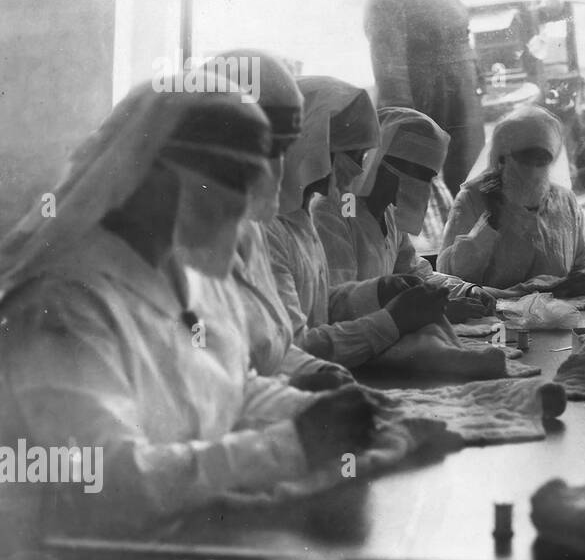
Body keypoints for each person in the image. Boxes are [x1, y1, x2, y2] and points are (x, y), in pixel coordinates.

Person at [0, 78, 378, 529]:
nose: (244, 201)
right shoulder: (62, 305)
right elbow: (107, 480)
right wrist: (291, 444)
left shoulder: (195, 276)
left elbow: (228, 388)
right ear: (150, 175)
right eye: (229, 181)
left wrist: (307, 412)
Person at [197, 50, 354, 389]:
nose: (278, 168)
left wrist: (314, 372)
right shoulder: (162, 249)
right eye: (268, 147)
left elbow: (271, 346)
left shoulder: (245, 228)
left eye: (285, 149)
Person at [267, 77, 450, 368]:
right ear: (311, 147)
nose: (359, 167)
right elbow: (291, 349)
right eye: (353, 155)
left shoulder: (299, 220)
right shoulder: (282, 226)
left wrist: (378, 291)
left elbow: (318, 308)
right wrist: (392, 319)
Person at [313, 105, 495, 319]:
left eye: (428, 176)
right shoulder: (337, 211)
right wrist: (433, 310)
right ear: (381, 162)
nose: (422, 185)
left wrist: (466, 290)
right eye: (416, 172)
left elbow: (415, 274)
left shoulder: (388, 214)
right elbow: (341, 304)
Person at [364, 0, 484, 194]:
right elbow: (389, 66)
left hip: (460, 93)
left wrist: (476, 79)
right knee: (416, 183)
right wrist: (406, 119)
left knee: (471, 176)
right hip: (425, 97)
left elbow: (461, 33)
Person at [438, 105, 585, 296]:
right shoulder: (473, 199)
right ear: (503, 158)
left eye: (542, 159)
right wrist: (490, 224)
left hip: (553, 313)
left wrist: (584, 281)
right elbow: (449, 275)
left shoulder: (564, 202)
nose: (533, 169)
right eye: (525, 158)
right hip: (490, 315)